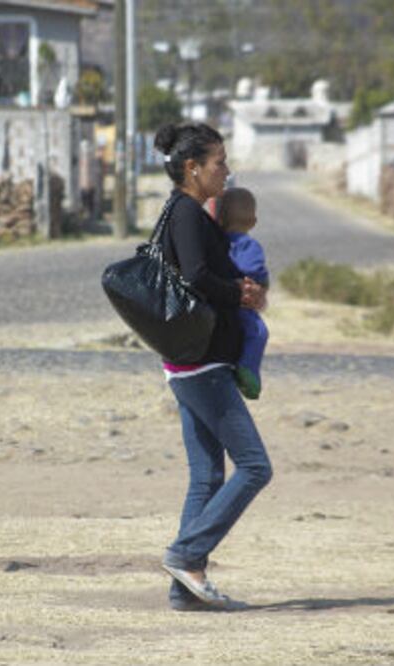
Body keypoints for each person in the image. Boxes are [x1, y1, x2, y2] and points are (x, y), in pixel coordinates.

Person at [153, 122, 274, 611]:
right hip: (200, 365)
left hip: (194, 362)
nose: (226, 171)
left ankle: (184, 590)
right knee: (255, 466)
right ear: (193, 168)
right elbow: (199, 276)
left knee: (206, 478)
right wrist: (242, 294)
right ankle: (186, 554)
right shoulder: (186, 214)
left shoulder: (188, 213)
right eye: (219, 162)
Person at [216, 187, 269, 400]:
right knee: (258, 332)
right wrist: (261, 283)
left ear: (219, 218)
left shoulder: (215, 241)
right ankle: (248, 371)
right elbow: (252, 270)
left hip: (217, 300)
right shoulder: (249, 246)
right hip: (240, 303)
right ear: (253, 221)